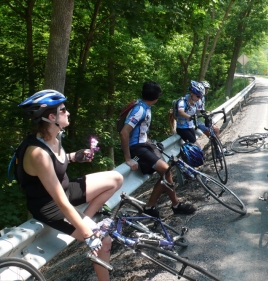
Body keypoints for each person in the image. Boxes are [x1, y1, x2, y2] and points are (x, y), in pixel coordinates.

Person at [18, 89, 123, 281]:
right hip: (50, 205)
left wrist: (75, 156)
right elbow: (60, 201)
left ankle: (86, 220)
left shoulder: (52, 137)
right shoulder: (37, 153)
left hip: (65, 189)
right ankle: (85, 230)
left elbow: (57, 163)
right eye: (63, 110)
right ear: (51, 117)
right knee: (104, 241)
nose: (68, 113)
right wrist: (89, 235)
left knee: (116, 179)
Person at [119, 81, 196, 218]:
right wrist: (128, 158)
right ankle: (162, 206)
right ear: (156, 98)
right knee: (165, 170)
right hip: (137, 147)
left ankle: (170, 205)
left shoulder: (145, 106)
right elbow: (124, 132)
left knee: (166, 173)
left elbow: (141, 130)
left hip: (145, 143)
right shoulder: (140, 109)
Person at [197, 81, 234, 156]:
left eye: (207, 89)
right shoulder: (197, 97)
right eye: (205, 89)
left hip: (199, 118)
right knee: (212, 133)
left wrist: (206, 112)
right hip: (195, 120)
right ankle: (218, 151)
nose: (207, 90)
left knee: (216, 130)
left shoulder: (202, 97)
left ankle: (218, 150)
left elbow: (201, 109)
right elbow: (197, 110)